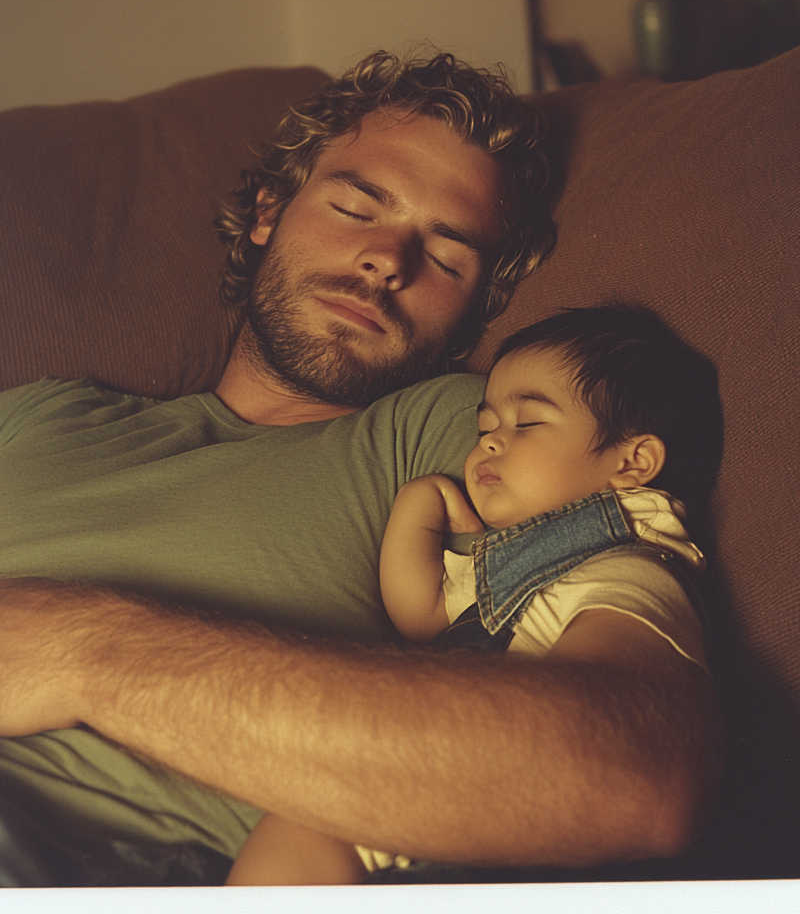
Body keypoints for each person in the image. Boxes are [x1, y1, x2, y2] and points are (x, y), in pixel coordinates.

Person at [0, 51, 721, 887]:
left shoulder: (466, 441)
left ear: (478, 309)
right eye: (358, 206)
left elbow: (637, 772)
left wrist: (84, 650)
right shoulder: (30, 417)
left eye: (447, 256)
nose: (386, 259)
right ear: (267, 212)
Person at [225, 305, 717, 885]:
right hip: (409, 820)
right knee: (302, 818)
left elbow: (616, 729)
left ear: (632, 462)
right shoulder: (513, 563)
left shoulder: (627, 566)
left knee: (305, 822)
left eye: (527, 424)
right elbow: (423, 616)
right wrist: (418, 503)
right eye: (485, 429)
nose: (489, 444)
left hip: (492, 835)